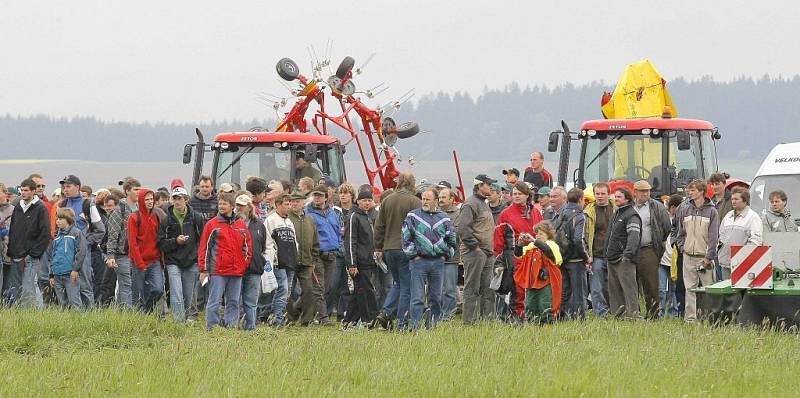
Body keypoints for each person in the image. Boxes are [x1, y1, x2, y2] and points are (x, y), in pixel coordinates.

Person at [402, 188, 458, 330]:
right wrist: (414, 255)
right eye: (423, 199)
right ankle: (415, 326)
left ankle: (433, 325)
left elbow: (452, 239)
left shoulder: (444, 218)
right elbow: (405, 238)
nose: (424, 202)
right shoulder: (413, 216)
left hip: (438, 263)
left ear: (435, 200)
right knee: (417, 297)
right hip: (419, 262)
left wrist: (446, 255)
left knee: (436, 297)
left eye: (428, 199)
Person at [373, 172, 422, 330]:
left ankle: (386, 312)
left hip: (389, 249)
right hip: (406, 249)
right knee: (407, 286)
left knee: (398, 283)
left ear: (398, 182)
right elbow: (419, 228)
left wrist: (378, 247)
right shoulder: (415, 202)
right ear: (412, 183)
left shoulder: (387, 200)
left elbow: (379, 226)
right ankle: (402, 322)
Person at [199, 192, 252, 330]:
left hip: (236, 271)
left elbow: (247, 247)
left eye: (224, 204)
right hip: (218, 270)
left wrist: (243, 264)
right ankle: (212, 328)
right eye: (220, 203)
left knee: (234, 301)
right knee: (214, 301)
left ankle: (231, 326)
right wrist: (204, 269)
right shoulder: (212, 225)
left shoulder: (241, 225)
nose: (221, 206)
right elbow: (204, 248)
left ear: (232, 206)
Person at [494, 182, 543, 320]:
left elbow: (543, 233)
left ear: (527, 195)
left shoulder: (535, 212)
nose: (516, 196)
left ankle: (534, 315)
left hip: (534, 254)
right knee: (518, 288)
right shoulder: (505, 214)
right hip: (515, 255)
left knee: (535, 286)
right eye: (514, 193)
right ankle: (518, 317)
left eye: (519, 193)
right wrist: (499, 261)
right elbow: (498, 240)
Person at [675, 179, 720, 322]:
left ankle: (710, 318)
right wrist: (683, 248)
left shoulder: (712, 211)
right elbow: (680, 232)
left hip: (704, 257)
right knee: (689, 289)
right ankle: (690, 319)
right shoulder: (685, 209)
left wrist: (709, 257)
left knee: (708, 289)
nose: (689, 192)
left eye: (693, 190)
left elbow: (714, 237)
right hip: (688, 256)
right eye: (689, 190)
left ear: (701, 192)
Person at [58, 174, 105, 309]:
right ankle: (70, 315)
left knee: (84, 284)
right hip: (65, 252)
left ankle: (90, 315)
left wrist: (84, 243)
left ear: (77, 187)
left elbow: (100, 230)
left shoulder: (87, 204)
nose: (65, 189)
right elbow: (58, 229)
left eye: (68, 186)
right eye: (63, 187)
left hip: (81, 253)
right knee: (65, 284)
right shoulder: (62, 205)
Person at [157, 186, 204, 322]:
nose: (177, 202)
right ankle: (178, 322)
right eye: (175, 199)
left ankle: (190, 317)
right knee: (176, 292)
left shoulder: (196, 217)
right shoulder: (167, 220)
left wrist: (198, 258)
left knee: (189, 294)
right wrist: (176, 241)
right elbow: (161, 243)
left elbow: (203, 239)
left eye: (180, 199)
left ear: (186, 200)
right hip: (173, 261)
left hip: (191, 260)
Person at [457, 174, 497, 325]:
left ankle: (488, 321)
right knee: (472, 288)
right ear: (480, 186)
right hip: (475, 253)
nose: (491, 186)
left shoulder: (483, 203)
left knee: (488, 288)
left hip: (487, 253)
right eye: (488, 184)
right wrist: (476, 248)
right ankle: (470, 322)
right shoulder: (470, 204)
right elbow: (463, 229)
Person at [7, 178, 51, 308]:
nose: (23, 193)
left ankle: (33, 314)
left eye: (26, 190)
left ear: (33, 191)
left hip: (31, 256)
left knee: (29, 287)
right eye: (22, 190)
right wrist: (11, 249)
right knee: (16, 288)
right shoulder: (18, 207)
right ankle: (18, 313)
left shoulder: (41, 208)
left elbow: (45, 233)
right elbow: (13, 229)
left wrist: (34, 253)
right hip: (16, 255)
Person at [631, 180, 672, 319]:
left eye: (648, 191)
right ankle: (634, 313)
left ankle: (653, 315)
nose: (646, 194)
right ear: (635, 192)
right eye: (642, 191)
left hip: (649, 249)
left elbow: (666, 228)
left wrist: (657, 244)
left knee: (651, 284)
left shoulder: (657, 207)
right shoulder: (629, 207)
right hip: (631, 250)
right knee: (631, 283)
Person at [342, 190, 381, 328]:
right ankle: (370, 318)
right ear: (358, 201)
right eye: (364, 200)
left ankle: (349, 321)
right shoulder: (353, 217)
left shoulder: (367, 216)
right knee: (366, 291)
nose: (367, 203)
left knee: (360, 291)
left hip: (368, 261)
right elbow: (350, 241)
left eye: (369, 200)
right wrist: (352, 264)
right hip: (359, 262)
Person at [605, 187, 642, 320]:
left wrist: (627, 255)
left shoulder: (631, 215)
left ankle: (633, 315)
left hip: (624, 259)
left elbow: (634, 237)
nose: (616, 199)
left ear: (627, 199)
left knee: (629, 289)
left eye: (619, 197)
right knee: (614, 290)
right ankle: (618, 315)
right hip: (612, 258)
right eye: (615, 196)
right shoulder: (617, 214)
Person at [306, 185, 341, 326]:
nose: (317, 198)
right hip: (317, 254)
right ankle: (323, 317)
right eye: (315, 195)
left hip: (331, 254)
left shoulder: (332, 213)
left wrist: (338, 244)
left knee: (327, 287)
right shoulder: (308, 213)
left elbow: (338, 230)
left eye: (320, 195)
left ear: (326, 197)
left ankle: (298, 310)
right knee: (318, 287)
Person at [514, 221, 562, 323]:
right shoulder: (532, 247)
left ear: (548, 235)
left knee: (546, 307)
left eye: (541, 234)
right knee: (530, 307)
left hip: (546, 284)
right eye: (537, 234)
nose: (538, 236)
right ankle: (533, 330)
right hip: (532, 284)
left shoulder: (552, 245)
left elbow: (548, 252)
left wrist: (534, 240)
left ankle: (548, 330)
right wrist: (520, 243)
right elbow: (518, 255)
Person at [553, 187, 589, 320]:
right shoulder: (580, 216)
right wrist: (586, 257)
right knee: (579, 292)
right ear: (581, 200)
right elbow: (578, 239)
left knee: (564, 292)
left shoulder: (561, 213)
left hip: (562, 257)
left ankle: (560, 317)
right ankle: (579, 319)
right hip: (576, 259)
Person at [105, 177, 140, 308]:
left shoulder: (140, 209)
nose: (138, 192)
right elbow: (113, 234)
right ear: (127, 191)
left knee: (129, 285)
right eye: (135, 189)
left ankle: (121, 312)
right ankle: (128, 314)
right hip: (123, 253)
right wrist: (111, 256)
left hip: (137, 253)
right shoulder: (119, 210)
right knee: (127, 284)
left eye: (139, 189)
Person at [287, 192, 321, 326]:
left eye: (297, 201)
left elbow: (315, 242)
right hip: (290, 262)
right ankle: (288, 318)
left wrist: (313, 260)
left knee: (308, 291)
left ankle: (307, 319)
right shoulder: (286, 218)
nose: (294, 204)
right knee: (288, 291)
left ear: (303, 203)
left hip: (306, 261)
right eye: (292, 202)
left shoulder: (310, 220)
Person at [127, 189, 164, 313]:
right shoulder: (134, 217)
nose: (150, 202)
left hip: (154, 260)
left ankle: (147, 310)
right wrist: (139, 263)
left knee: (158, 289)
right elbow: (132, 243)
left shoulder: (156, 216)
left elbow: (159, 238)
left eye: (152, 199)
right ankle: (138, 315)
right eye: (147, 199)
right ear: (141, 201)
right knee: (137, 292)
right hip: (139, 261)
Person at [236, 194, 268, 331]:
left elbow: (263, 246)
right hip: (236, 268)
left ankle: (250, 327)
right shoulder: (232, 222)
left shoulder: (259, 225)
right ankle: (233, 326)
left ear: (249, 207)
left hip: (254, 267)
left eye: (242, 206)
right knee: (235, 300)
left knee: (251, 301)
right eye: (237, 205)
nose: (239, 208)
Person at [265, 193, 297, 328]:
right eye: (286, 204)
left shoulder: (289, 222)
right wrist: (271, 259)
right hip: (278, 262)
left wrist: (296, 256)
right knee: (282, 289)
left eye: (290, 204)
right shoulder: (271, 220)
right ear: (277, 205)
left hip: (290, 261)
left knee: (287, 290)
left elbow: (294, 241)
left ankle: (274, 315)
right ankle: (277, 318)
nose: (288, 207)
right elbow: (268, 242)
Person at [584, 182, 615, 318]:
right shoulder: (589, 212)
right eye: (597, 194)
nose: (600, 196)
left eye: (603, 194)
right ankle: (600, 314)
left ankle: (614, 310)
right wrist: (587, 256)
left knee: (613, 286)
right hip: (596, 254)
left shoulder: (616, 208)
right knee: (596, 287)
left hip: (613, 254)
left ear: (608, 194)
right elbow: (585, 236)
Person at [46, 208, 87, 311]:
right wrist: (51, 275)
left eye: (60, 219)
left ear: (68, 219)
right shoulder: (57, 236)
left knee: (75, 302)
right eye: (57, 219)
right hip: (57, 275)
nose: (57, 221)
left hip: (70, 274)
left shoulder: (76, 233)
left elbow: (81, 252)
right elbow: (52, 256)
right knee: (62, 304)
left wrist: (75, 269)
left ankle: (79, 323)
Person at [718, 188, 763, 280]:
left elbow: (756, 240)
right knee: (727, 293)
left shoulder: (753, 217)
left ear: (745, 200)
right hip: (725, 264)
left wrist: (743, 257)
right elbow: (721, 235)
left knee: (742, 292)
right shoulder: (728, 216)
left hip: (743, 265)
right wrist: (720, 250)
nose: (733, 201)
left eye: (736, 199)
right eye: (732, 199)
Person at [438, 187, 461, 320]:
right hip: (435, 257)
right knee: (437, 288)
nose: (441, 200)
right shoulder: (434, 213)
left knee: (449, 288)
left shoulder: (458, 214)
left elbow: (455, 234)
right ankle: (438, 313)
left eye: (444, 197)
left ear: (452, 199)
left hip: (451, 257)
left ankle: (448, 315)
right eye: (439, 197)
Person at [659, 195, 683, 318]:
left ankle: (674, 313)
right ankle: (660, 312)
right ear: (673, 207)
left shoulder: (681, 219)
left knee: (674, 289)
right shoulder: (663, 218)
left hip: (674, 260)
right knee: (662, 289)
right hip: (663, 259)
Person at [708, 173, 732, 280]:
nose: (714, 187)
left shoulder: (732, 200)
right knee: (716, 277)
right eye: (712, 184)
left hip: (727, 243)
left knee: (727, 277)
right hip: (713, 243)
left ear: (724, 184)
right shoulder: (709, 202)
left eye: (717, 184)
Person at [0, 183, 14, 303]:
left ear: (5, 193)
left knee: (8, 286)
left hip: (9, 254)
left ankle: (7, 308)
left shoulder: (14, 210)